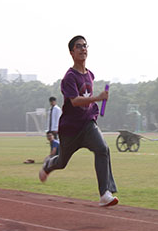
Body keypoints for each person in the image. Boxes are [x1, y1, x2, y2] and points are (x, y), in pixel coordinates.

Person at [39, 35, 118, 207]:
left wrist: (97, 100)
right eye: (78, 46)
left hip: (88, 124)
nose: (83, 49)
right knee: (61, 162)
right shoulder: (69, 78)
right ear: (71, 52)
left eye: (85, 46)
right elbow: (74, 101)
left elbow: (87, 98)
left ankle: (105, 193)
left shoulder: (90, 74)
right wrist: (98, 98)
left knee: (102, 149)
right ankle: (48, 165)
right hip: (70, 129)